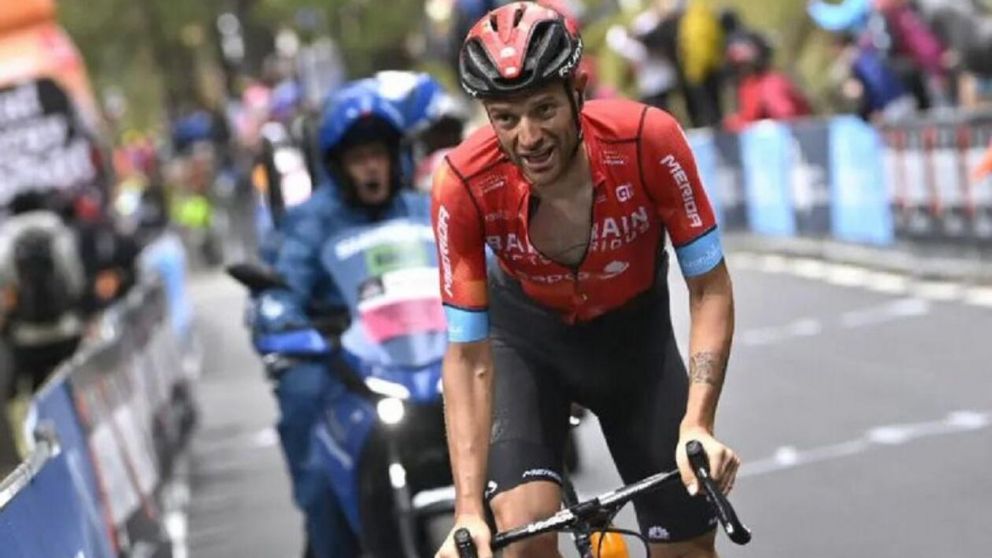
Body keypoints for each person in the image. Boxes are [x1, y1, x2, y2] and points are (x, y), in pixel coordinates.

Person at [432, 3, 739, 558]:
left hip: (633, 347)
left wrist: (698, 421)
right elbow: (468, 357)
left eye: (544, 108)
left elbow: (709, 286)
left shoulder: (649, 140)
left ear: (579, 90)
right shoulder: (461, 183)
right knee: (523, 535)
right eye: (505, 118)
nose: (529, 137)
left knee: (687, 549)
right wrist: (468, 511)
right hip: (526, 346)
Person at [255, 80, 429, 558]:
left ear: (396, 156)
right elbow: (282, 287)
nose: (371, 167)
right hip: (344, 367)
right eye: (359, 158)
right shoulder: (311, 222)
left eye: (377, 154)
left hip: (427, 356)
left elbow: (477, 263)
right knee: (304, 402)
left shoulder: (424, 208)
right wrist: (283, 321)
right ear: (338, 166)